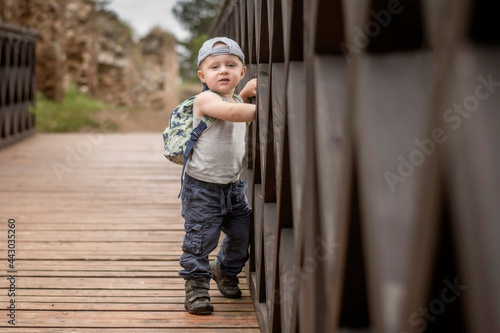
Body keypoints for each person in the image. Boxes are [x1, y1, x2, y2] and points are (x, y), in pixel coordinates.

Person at [179, 36, 257, 315]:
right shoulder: (205, 99)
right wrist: (268, 106)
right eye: (214, 67)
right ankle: (196, 289)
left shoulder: (236, 97)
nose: (223, 70)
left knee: (242, 234)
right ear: (202, 75)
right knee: (200, 240)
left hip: (233, 188)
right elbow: (233, 113)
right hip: (202, 188)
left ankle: (224, 270)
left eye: (231, 65)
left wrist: (246, 94)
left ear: (242, 71)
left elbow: (237, 102)